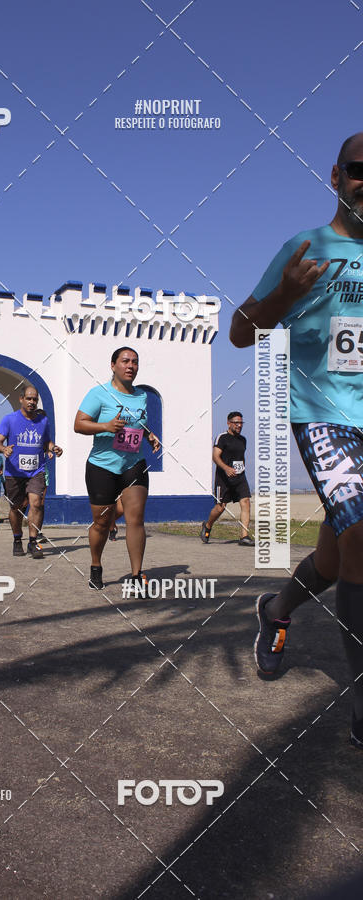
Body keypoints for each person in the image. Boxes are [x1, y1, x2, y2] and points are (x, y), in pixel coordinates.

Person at [229, 133, 363, 747]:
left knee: (338, 559)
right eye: (361, 171)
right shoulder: (307, 246)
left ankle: (276, 610)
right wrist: (285, 294)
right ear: (336, 175)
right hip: (323, 415)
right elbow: (240, 330)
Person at [74, 347, 161, 590]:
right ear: (113, 365)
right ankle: (96, 565)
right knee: (101, 523)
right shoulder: (98, 394)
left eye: (134, 362)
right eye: (125, 361)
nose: (130, 366)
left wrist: (149, 435)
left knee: (136, 518)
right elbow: (79, 424)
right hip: (102, 466)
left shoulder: (142, 396)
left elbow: (138, 422)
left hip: (134, 464)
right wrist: (106, 426)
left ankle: (136, 576)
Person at [0, 385, 62, 558]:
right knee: (16, 508)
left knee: (37, 503)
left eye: (35, 399)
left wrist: (54, 448)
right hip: (15, 472)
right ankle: (17, 540)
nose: (32, 402)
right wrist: (4, 449)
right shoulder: (9, 419)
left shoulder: (43, 421)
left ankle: (33, 542)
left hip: (36, 470)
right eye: (29, 399)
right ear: (21, 399)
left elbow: (46, 441)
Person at [200, 412, 254, 546]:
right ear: (229, 423)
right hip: (223, 478)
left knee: (246, 502)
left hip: (240, 477)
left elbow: (241, 457)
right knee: (220, 507)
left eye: (241, 423)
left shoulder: (243, 440)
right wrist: (226, 468)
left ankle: (244, 536)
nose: (239, 425)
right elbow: (215, 457)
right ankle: (207, 526)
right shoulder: (222, 438)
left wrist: (242, 469)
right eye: (236, 423)